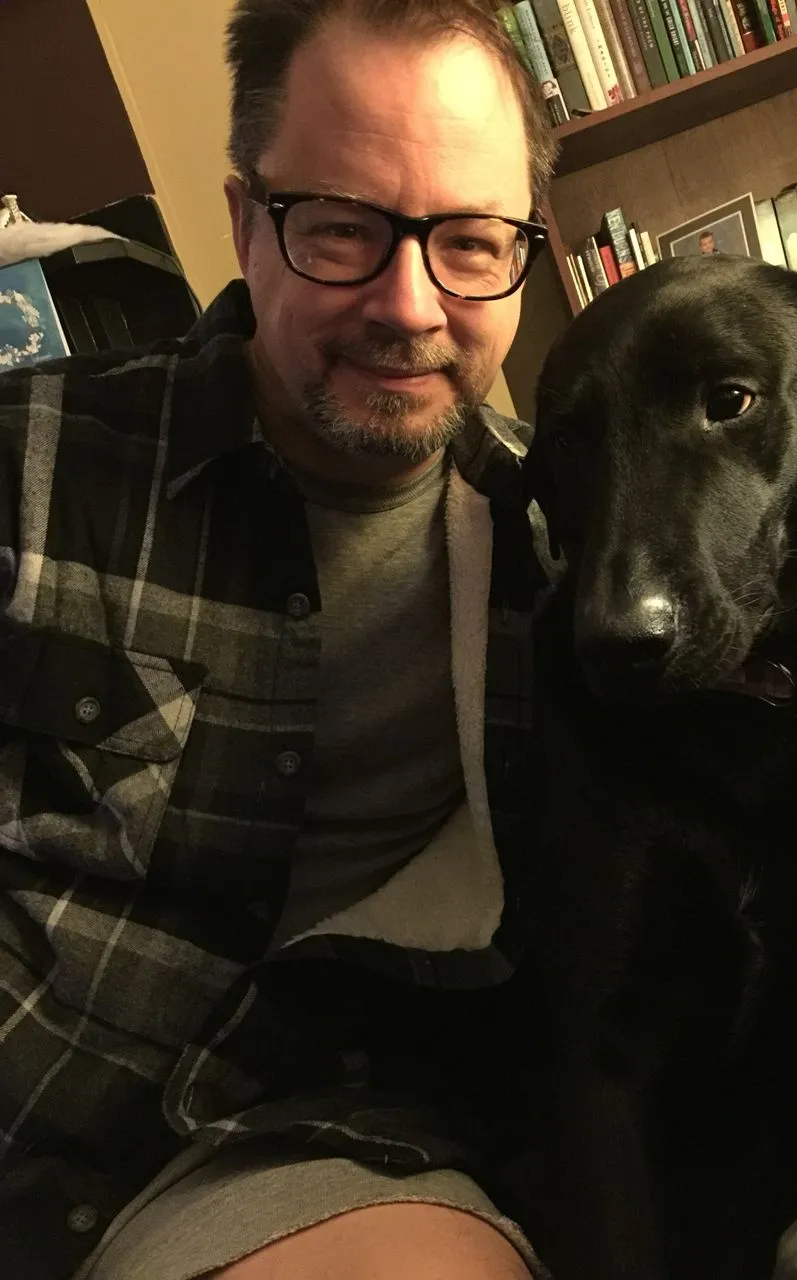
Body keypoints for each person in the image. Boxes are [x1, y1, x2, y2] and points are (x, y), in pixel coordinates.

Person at [0, 2, 557, 1277]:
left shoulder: (567, 546)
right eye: (348, 229)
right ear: (248, 221)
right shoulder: (24, 464)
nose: (411, 305)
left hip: (287, 1148)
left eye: (471, 242)